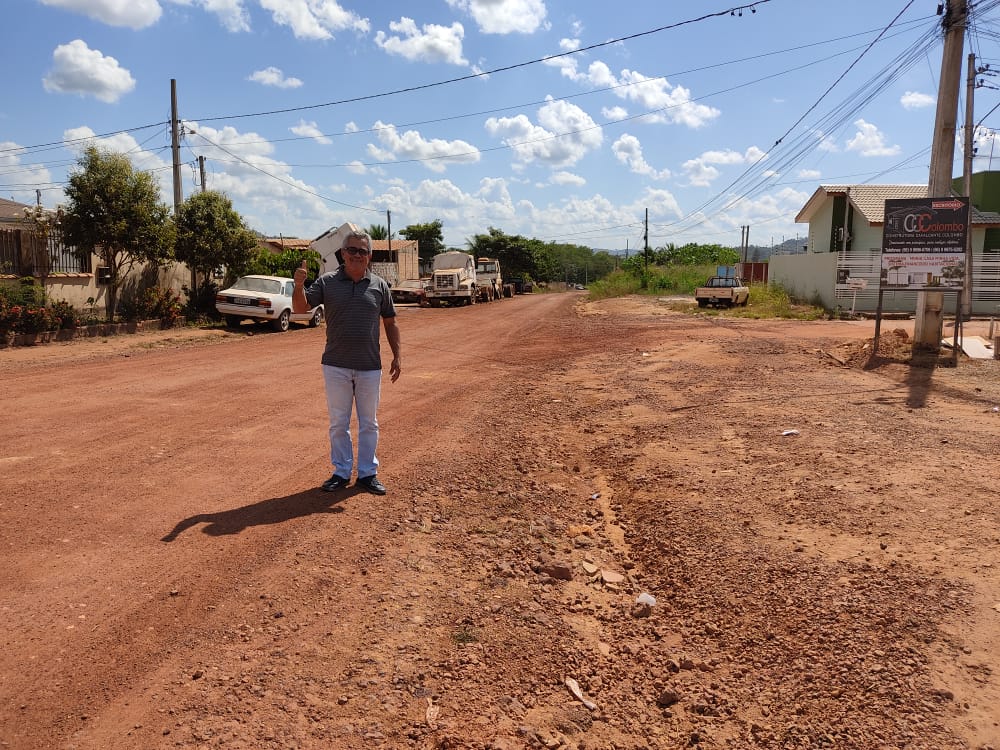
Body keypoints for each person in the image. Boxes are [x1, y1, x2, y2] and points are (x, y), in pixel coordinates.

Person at [292, 229, 401, 495]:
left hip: (369, 366)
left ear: (369, 256)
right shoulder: (328, 282)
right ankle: (341, 472)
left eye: (362, 251)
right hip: (336, 365)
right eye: (351, 250)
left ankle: (367, 473)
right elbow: (300, 309)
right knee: (338, 422)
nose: (356, 255)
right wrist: (298, 286)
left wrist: (398, 354)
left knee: (369, 423)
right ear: (342, 253)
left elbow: (390, 321)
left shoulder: (379, 285)